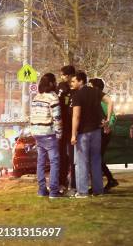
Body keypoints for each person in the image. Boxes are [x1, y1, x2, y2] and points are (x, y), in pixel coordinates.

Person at [70, 71, 103, 197]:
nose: (72, 83)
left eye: (74, 81)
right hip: (96, 131)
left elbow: (76, 116)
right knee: (95, 160)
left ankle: (83, 191)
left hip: (83, 133)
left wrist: (73, 134)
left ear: (81, 81)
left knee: (81, 162)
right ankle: (98, 190)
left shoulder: (77, 95)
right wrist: (107, 120)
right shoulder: (95, 92)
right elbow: (109, 100)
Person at [30, 73, 62, 198]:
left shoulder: (36, 97)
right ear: (51, 83)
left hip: (37, 133)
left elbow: (32, 115)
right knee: (54, 162)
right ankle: (54, 191)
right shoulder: (53, 97)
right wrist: (59, 134)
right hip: (48, 133)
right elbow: (57, 118)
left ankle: (42, 190)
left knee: (41, 162)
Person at [89, 78, 118, 191]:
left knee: (96, 158)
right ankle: (109, 180)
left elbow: (112, 117)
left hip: (103, 132)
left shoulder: (102, 101)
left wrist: (107, 126)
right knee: (97, 158)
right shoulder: (96, 100)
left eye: (90, 86)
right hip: (100, 132)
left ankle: (107, 181)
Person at [57, 65, 75, 193]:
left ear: (68, 75)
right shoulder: (61, 87)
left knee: (72, 156)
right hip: (64, 126)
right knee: (63, 155)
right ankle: (63, 181)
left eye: (63, 75)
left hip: (70, 127)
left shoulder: (73, 88)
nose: (62, 77)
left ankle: (73, 182)